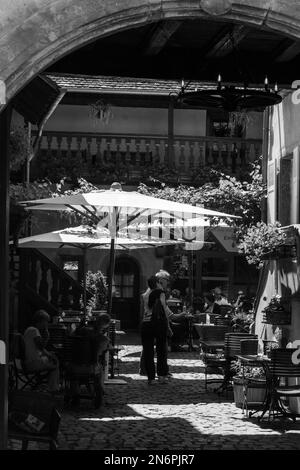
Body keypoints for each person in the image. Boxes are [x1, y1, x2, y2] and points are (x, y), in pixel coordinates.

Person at [66, 313, 110, 407]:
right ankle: (100, 391)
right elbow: (99, 353)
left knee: (76, 371)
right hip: (90, 367)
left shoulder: (77, 334)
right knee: (100, 368)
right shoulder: (101, 339)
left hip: (72, 366)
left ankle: (75, 393)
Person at [141, 274, 172, 385]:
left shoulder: (145, 294)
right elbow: (163, 308)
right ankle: (162, 376)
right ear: (158, 283)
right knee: (161, 351)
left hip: (146, 323)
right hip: (158, 323)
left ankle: (151, 378)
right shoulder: (160, 293)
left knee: (148, 352)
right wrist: (168, 324)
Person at [23, 309, 60, 393]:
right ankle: (53, 388)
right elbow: (41, 347)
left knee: (53, 357)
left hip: (30, 361)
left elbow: (40, 348)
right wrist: (47, 337)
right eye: (46, 321)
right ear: (41, 321)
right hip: (34, 362)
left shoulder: (29, 330)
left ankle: (49, 385)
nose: (47, 324)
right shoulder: (34, 331)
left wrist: (49, 354)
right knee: (56, 362)